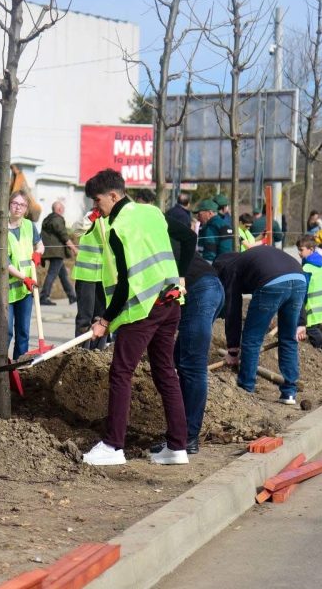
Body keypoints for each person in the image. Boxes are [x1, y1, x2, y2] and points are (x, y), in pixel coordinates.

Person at [81, 169, 188, 466]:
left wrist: (104, 319)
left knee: (121, 372)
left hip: (144, 308)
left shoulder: (118, 227)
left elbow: (126, 283)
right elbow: (185, 239)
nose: (95, 208)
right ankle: (178, 446)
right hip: (171, 299)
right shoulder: (152, 212)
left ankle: (113, 445)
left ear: (113, 196)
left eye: (97, 200)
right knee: (165, 370)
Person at [135, 193, 223, 455]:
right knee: (177, 360)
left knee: (192, 364)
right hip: (205, 290)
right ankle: (179, 432)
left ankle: (187, 438)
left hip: (200, 290)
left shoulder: (156, 232)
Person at [214, 246, 306, 406]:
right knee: (288, 338)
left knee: (252, 339)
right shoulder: (250, 259)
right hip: (299, 279)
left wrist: (233, 350)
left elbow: (232, 311)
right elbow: (289, 278)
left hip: (272, 282)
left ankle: (246, 388)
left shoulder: (229, 269)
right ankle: (290, 392)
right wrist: (300, 322)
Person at [0, 190, 43, 360]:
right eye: (15, 204)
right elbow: (5, 263)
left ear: (26, 209)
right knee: (6, 332)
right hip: (5, 290)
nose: (18, 208)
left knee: (23, 332)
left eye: (22, 205)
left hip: (25, 290)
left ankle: (20, 365)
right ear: (9, 205)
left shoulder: (29, 226)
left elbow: (40, 244)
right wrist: (24, 278)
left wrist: (38, 252)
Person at [71, 207, 110, 351]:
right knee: (84, 318)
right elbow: (75, 231)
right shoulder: (92, 216)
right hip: (86, 275)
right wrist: (92, 217)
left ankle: (97, 352)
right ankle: (80, 353)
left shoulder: (117, 219)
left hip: (107, 277)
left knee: (102, 318)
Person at [295, 235, 322, 357]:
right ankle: (317, 348)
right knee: (313, 327)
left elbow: (303, 288)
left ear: (311, 249)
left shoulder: (307, 268)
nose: (299, 253)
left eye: (301, 250)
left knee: (310, 328)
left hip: (313, 303)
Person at [39, 200, 78, 306]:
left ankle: (72, 297)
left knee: (63, 275)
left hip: (50, 251)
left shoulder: (47, 219)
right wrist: (74, 248)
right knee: (52, 274)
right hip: (56, 252)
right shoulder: (57, 219)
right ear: (59, 209)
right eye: (63, 209)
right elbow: (63, 235)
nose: (63, 211)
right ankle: (43, 296)